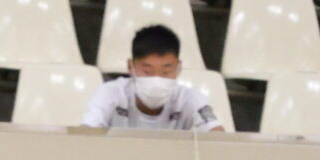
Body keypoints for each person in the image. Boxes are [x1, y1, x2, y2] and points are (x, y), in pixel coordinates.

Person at [80, 25, 221, 132]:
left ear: (178, 68)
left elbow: (218, 137)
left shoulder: (190, 99)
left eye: (166, 71)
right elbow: (87, 134)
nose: (157, 79)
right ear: (130, 67)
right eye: (147, 71)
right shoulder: (109, 93)